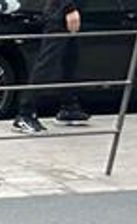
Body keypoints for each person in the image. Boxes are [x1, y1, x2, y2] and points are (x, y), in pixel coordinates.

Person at [13, 0, 88, 133]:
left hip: (68, 11)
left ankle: (69, 106)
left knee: (69, 61)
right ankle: (25, 113)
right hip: (60, 13)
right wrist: (69, 8)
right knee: (47, 64)